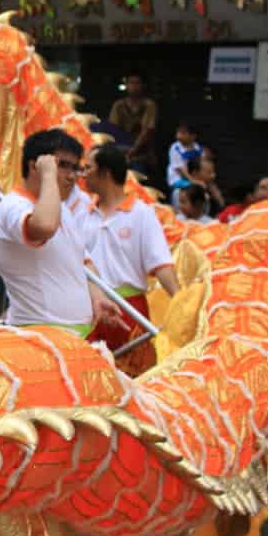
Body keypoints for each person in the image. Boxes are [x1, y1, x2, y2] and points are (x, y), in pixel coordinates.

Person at [0, 129, 122, 336]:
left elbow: (83, 263)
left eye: (74, 168)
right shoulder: (12, 205)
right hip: (40, 336)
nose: (71, 176)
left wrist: (97, 296)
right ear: (35, 166)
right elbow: (44, 227)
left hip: (75, 335)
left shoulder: (64, 212)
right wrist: (49, 176)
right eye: (62, 165)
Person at [83, 143, 180, 375]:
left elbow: (161, 265)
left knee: (131, 379)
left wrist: (181, 303)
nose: (83, 173)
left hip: (128, 310)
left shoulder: (141, 214)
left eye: (88, 168)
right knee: (89, 377)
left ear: (105, 173)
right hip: (88, 308)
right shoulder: (82, 214)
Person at [107, 72, 160, 177]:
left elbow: (147, 131)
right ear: (126, 85)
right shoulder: (118, 105)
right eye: (131, 83)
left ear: (143, 86)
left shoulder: (149, 105)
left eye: (137, 83)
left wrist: (133, 151)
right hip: (120, 151)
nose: (134, 86)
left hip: (141, 154)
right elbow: (113, 129)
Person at [165, 121, 200, 206]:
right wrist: (193, 181)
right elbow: (180, 169)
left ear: (193, 136)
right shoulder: (175, 148)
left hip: (191, 177)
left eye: (183, 133)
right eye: (178, 132)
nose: (179, 135)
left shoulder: (197, 147)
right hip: (177, 179)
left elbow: (199, 163)